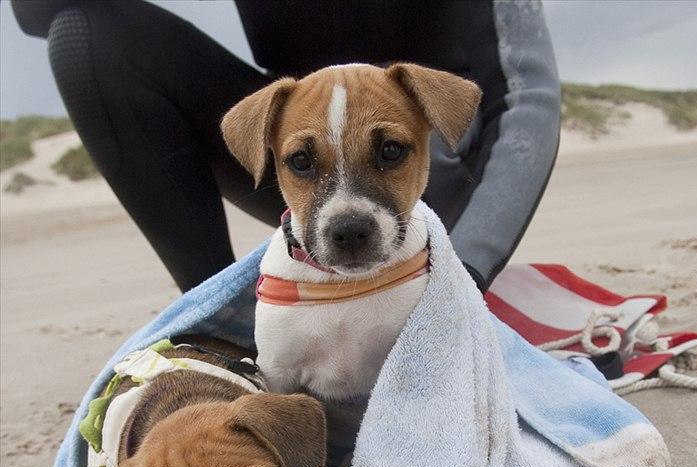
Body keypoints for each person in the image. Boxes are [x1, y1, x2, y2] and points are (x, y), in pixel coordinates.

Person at [13, 0, 560, 293]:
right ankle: (218, 323)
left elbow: (525, 96)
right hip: (301, 149)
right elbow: (33, 11)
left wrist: (469, 265)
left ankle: (441, 256)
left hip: (438, 170)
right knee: (89, 35)